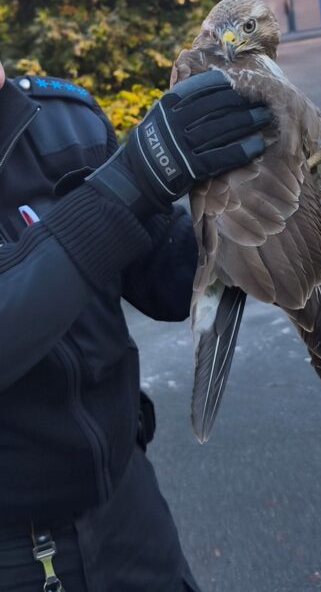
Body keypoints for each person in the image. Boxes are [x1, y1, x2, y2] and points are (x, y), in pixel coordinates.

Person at [0, 59, 271, 591]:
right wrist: (132, 181)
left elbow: (164, 279)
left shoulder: (65, 121)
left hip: (127, 508)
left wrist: (251, 216)